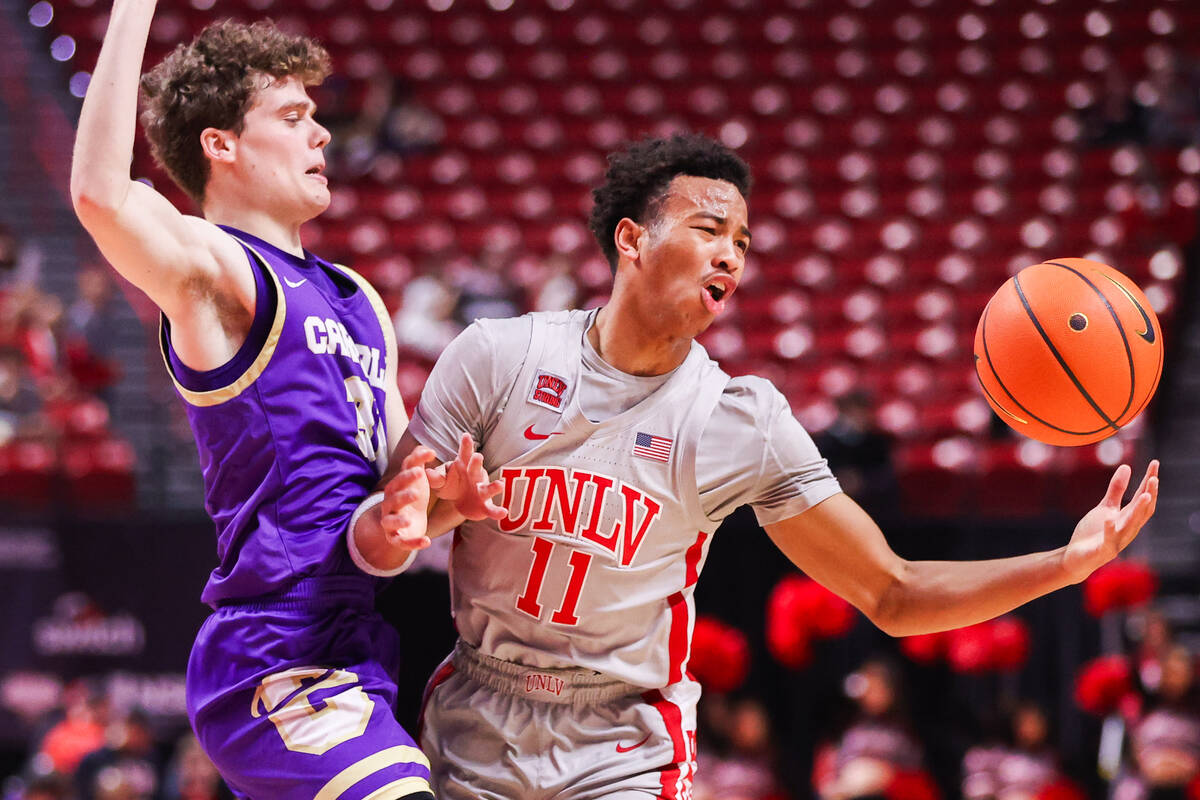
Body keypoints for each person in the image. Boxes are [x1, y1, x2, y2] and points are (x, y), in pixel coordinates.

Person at [358, 133, 1159, 798]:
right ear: (631, 238)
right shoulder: (498, 357)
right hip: (475, 711)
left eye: (741, 241)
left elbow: (892, 591)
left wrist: (1065, 563)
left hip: (621, 743)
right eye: (708, 229)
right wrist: (441, 509)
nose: (730, 255)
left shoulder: (738, 417)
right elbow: (393, 527)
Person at [69, 3, 497, 798]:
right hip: (273, 653)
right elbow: (99, 195)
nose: (323, 134)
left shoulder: (357, 298)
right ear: (221, 145)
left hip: (360, 642)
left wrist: (441, 507)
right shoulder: (218, 272)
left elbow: (391, 512)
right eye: (294, 116)